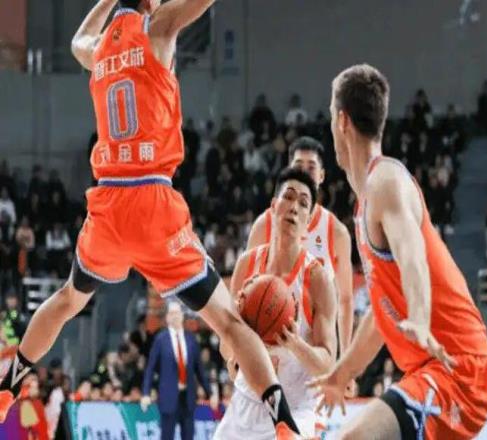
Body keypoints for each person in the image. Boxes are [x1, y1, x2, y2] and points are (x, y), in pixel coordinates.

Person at [0, 1, 302, 438]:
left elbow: (77, 40)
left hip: (108, 202)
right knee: (230, 322)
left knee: (67, 300)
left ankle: (7, 387)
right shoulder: (156, 27)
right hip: (152, 199)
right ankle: (283, 421)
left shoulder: (100, 48)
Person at [309, 64, 487, 439]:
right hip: (432, 370)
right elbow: (382, 313)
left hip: (457, 370)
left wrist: (420, 319)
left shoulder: (387, 181)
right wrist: (342, 374)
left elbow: (414, 257)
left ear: (342, 121)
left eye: (330, 116)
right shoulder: (366, 201)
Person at [214, 168, 337, 439]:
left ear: (309, 221)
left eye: (303, 203)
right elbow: (226, 349)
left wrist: (295, 344)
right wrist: (238, 332)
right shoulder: (247, 264)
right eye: (288, 197)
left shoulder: (318, 279)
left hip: (297, 408)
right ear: (273, 206)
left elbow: (328, 364)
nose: (294, 207)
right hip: (249, 399)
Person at [248, 137, 353, 359]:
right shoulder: (264, 224)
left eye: (311, 167)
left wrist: (346, 362)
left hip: (314, 353)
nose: (304, 172)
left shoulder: (336, 232)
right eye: (298, 166)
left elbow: (345, 299)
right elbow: (246, 291)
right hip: (269, 350)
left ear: (322, 176)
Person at [141, 301, 210, 440]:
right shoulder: (160, 340)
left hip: (188, 397)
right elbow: (150, 368)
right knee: (167, 436)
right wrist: (146, 393)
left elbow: (199, 370)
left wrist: (210, 392)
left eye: (177, 313)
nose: (175, 316)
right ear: (167, 317)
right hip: (168, 397)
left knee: (188, 436)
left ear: (182, 315)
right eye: (172, 313)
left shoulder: (191, 339)